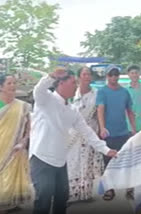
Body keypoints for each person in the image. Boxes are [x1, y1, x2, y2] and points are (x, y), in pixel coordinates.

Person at [29, 68, 117, 214]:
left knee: (61, 199)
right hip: (41, 158)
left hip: (60, 161)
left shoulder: (72, 110)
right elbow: (38, 90)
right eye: (73, 83)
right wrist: (51, 76)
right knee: (43, 200)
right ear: (60, 83)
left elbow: (87, 132)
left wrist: (106, 150)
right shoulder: (46, 100)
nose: (76, 86)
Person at [96, 65, 136, 201]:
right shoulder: (102, 92)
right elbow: (100, 110)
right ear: (107, 76)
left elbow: (130, 111)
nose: (114, 77)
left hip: (123, 132)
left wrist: (134, 129)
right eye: (111, 75)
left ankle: (130, 188)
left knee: (127, 161)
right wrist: (102, 128)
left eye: (116, 74)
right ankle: (109, 189)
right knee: (108, 163)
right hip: (109, 133)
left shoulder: (124, 92)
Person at [67, 67, 104, 203]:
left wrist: (100, 130)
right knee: (72, 162)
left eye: (89, 74)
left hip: (90, 131)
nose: (87, 77)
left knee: (86, 162)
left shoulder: (96, 94)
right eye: (84, 74)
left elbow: (100, 113)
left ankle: (85, 193)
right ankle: (72, 192)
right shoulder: (72, 93)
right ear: (79, 77)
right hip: (72, 134)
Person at [0, 74, 32, 213]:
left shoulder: (22, 106)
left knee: (12, 171)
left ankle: (11, 201)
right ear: (1, 87)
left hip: (16, 146)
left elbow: (28, 128)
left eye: (14, 83)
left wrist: (23, 142)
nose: (13, 86)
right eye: (9, 83)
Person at [126, 65, 141, 132]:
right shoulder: (125, 90)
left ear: (139, 74)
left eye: (136, 73)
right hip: (130, 126)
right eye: (132, 73)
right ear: (129, 75)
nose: (134, 75)